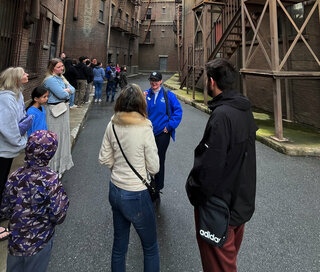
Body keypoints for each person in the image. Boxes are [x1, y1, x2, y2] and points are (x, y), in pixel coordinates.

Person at [185, 58, 257, 272]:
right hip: (239, 204)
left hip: (219, 208)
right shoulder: (244, 110)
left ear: (211, 81)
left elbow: (209, 166)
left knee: (219, 266)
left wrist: (194, 191)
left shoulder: (222, 115)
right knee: (227, 260)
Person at [99, 84, 160, 272]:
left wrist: (118, 169)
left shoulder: (112, 124)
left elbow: (104, 157)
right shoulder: (144, 127)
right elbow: (154, 167)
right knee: (150, 247)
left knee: (119, 245)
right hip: (136, 193)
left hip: (115, 188)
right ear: (141, 104)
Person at [0, 130, 69, 272]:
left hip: (16, 242)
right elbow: (59, 214)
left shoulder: (15, 176)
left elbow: (4, 210)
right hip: (39, 241)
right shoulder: (51, 179)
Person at [0, 67, 29, 241]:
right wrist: (21, 143)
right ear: (16, 79)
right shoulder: (5, 99)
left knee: (3, 181)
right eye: (23, 74)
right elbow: (8, 127)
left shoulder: (17, 95)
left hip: (10, 149)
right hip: (3, 149)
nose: (26, 75)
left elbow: (22, 119)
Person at [144, 71, 183, 202]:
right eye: (151, 80)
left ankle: (157, 188)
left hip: (162, 134)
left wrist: (170, 126)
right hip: (147, 134)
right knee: (146, 159)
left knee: (159, 160)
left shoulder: (168, 95)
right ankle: (148, 185)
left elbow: (178, 111)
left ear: (161, 81)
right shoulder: (145, 94)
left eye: (156, 80)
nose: (153, 83)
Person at [44, 58, 75, 176]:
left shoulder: (62, 77)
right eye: (58, 67)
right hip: (55, 112)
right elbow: (61, 94)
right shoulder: (50, 80)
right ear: (52, 68)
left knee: (63, 137)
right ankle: (52, 167)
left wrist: (66, 90)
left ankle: (59, 167)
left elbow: (73, 89)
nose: (61, 68)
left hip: (63, 110)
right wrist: (66, 91)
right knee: (55, 137)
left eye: (62, 66)